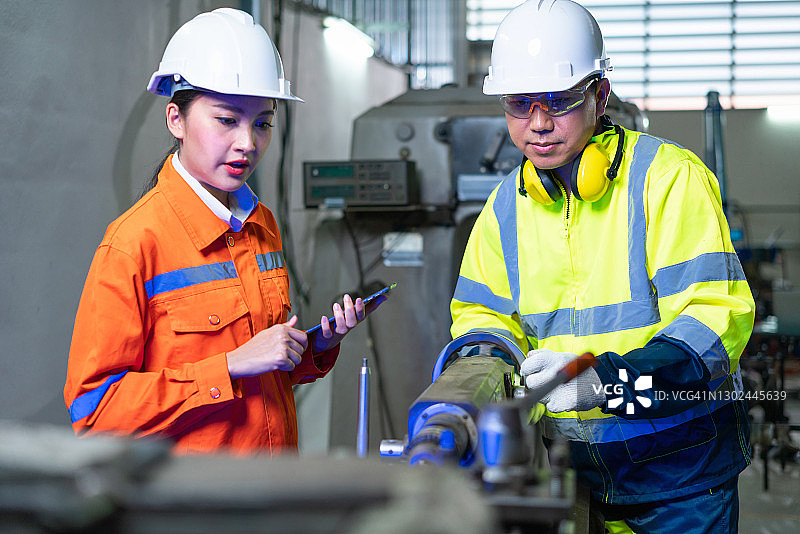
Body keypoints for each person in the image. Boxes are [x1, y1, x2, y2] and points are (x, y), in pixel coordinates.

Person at [450, 1, 755, 532]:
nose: (538, 124)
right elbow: (482, 314)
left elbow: (713, 324)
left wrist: (610, 383)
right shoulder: (503, 210)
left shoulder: (668, 181)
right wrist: (485, 364)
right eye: (520, 104)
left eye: (559, 102)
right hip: (572, 476)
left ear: (600, 95)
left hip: (681, 478)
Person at [64, 8, 380, 455]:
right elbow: (94, 413)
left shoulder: (261, 224)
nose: (248, 143)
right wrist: (229, 366)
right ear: (176, 119)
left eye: (263, 123)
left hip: (272, 486)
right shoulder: (134, 244)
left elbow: (267, 370)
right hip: (197, 506)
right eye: (227, 120)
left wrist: (315, 344)